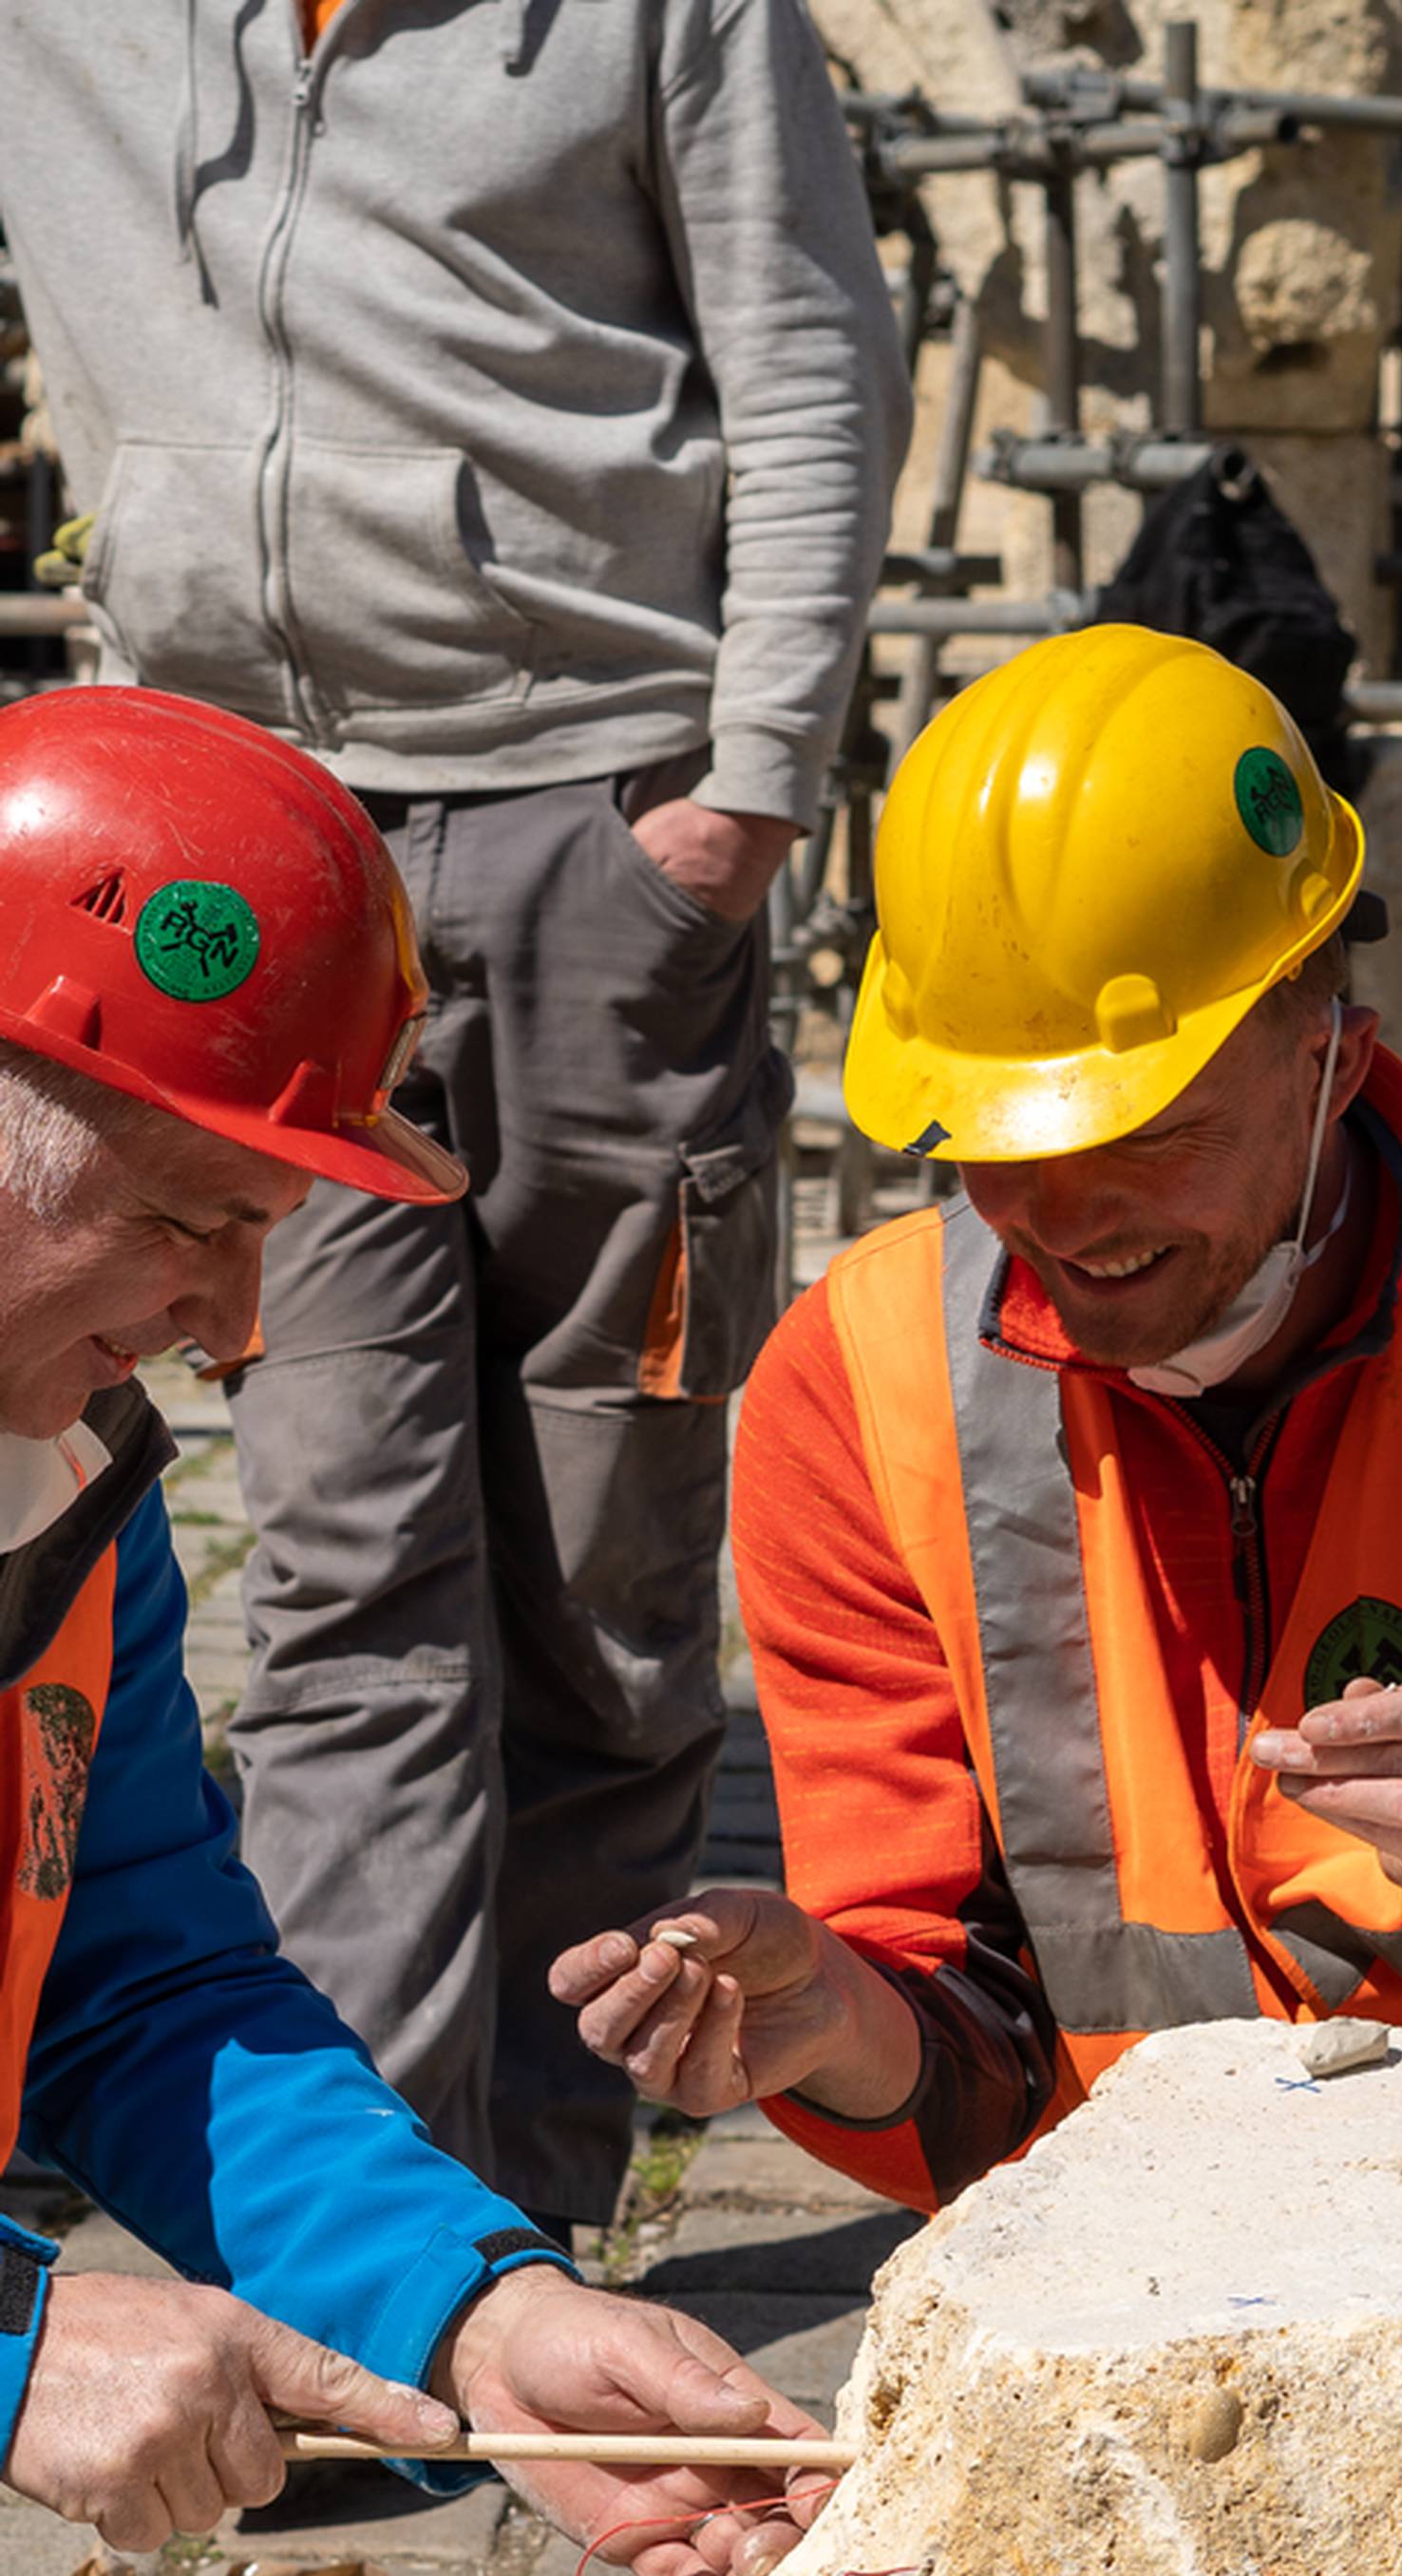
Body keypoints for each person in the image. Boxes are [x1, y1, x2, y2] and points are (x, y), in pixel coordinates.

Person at [0, 685, 826, 2576]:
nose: (243, 1331)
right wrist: (16, 2341)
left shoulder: (56, 1495)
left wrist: (485, 2320)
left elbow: (144, 1985)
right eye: (195, 1221)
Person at [0, 0, 911, 2233]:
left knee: (599, 1576)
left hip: (591, 821)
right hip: (216, 880)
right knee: (341, 1580)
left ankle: (545, 2194)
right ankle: (371, 2267)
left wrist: (740, 804)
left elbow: (808, 365)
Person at [551, 625, 1402, 2203]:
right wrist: (835, 2027)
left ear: (1330, 1053)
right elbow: (965, 2080)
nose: (1059, 1213)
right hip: (1130, 2285)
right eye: (996, 1133)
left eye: (1143, 1129)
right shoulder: (862, 1387)